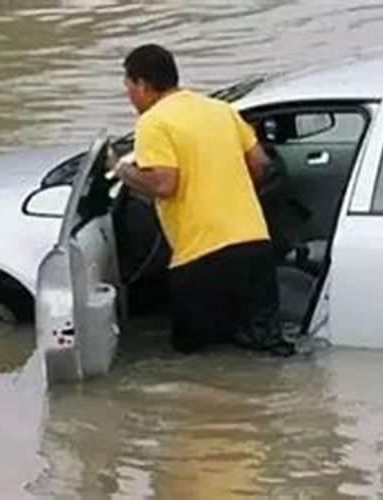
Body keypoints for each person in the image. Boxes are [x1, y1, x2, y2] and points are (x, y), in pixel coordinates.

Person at [114, 44, 292, 356]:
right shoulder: (220, 110)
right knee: (268, 347)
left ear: (142, 84)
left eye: (128, 86)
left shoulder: (153, 122)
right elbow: (260, 164)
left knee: (194, 359)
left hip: (201, 257)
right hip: (254, 245)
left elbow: (165, 183)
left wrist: (123, 171)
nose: (129, 95)